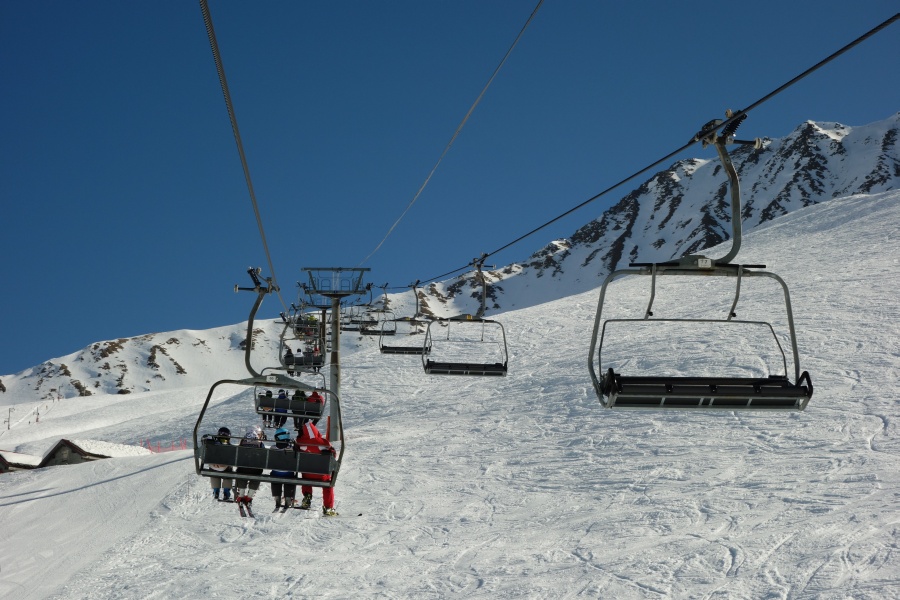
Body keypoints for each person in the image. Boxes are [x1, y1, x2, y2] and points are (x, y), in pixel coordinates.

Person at [296, 420, 338, 516]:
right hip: (321, 475)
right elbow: (333, 454)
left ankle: (307, 496)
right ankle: (328, 507)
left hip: (307, 474)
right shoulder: (322, 443)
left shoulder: (300, 442)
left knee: (305, 472)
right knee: (328, 484)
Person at [233, 425, 265, 506]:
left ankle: (241, 495)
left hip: (243, 468)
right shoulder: (259, 443)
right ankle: (249, 497)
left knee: (241, 473)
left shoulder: (243, 441)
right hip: (255, 469)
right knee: (256, 476)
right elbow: (263, 454)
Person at [269, 427, 296, 510]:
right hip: (288, 473)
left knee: (274, 476)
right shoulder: (291, 448)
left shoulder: (273, 448)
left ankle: (277, 497)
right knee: (290, 476)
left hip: (276, 473)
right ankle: (288, 497)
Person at [206, 426, 233, 501]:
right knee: (229, 473)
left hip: (213, 466)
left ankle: (216, 491)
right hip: (224, 468)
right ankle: (226, 492)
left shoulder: (213, 443)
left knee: (214, 472)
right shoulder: (229, 445)